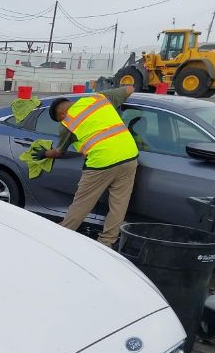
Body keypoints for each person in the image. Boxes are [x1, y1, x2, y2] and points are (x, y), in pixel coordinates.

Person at [34, 85, 138, 247]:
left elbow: (59, 152)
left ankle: (59, 238)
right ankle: (106, 243)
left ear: (62, 114)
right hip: (129, 156)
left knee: (81, 204)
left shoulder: (67, 122)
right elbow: (130, 89)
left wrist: (44, 153)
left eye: (59, 120)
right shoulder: (99, 98)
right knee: (119, 205)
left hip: (101, 163)